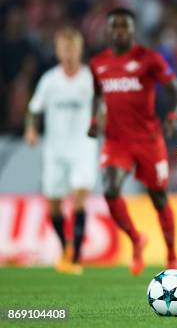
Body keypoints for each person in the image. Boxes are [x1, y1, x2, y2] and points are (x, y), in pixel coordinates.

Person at [88, 7, 177, 276]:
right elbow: (97, 96)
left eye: (125, 26)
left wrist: (173, 115)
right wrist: (95, 120)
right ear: (108, 30)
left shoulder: (149, 59)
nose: (120, 31)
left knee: (158, 197)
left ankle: (172, 254)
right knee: (110, 189)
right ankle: (136, 239)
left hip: (148, 140)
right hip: (116, 140)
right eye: (115, 26)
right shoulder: (98, 64)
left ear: (133, 30)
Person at [25, 28, 97, 275]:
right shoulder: (49, 80)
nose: (67, 53)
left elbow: (104, 107)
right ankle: (65, 245)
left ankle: (74, 256)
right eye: (63, 48)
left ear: (79, 50)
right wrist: (31, 130)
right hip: (55, 149)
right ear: (57, 51)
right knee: (54, 205)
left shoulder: (90, 79)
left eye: (72, 48)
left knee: (79, 196)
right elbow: (34, 109)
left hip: (83, 146)